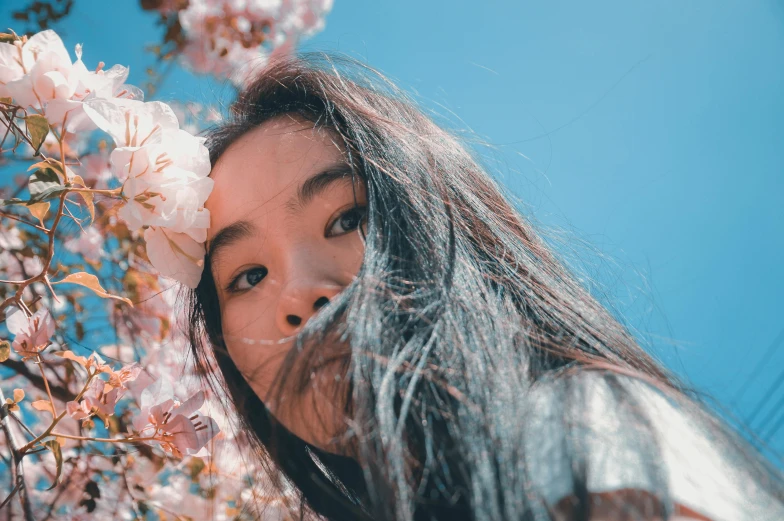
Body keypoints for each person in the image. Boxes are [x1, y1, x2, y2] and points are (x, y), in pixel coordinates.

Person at [187, 54, 784, 521]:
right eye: (248, 277)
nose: (301, 295)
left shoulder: (573, 432)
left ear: (445, 220)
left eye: (347, 219)